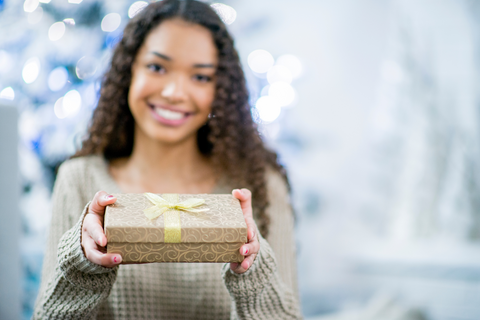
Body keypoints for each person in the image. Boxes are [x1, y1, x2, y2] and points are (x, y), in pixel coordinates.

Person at [33, 0, 301, 319]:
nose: (175, 92)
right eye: (157, 67)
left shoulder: (261, 185)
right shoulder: (79, 179)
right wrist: (82, 262)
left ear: (219, 89)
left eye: (200, 77)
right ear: (128, 70)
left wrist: (253, 270)